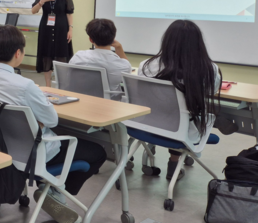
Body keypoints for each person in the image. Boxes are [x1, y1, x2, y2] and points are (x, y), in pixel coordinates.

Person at [0, 25, 106, 223]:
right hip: (33, 154)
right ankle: (53, 189)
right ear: (18, 53)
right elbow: (52, 120)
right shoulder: (25, 85)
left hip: (1, 148)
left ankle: (50, 188)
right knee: (98, 151)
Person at [138, 20, 222, 180]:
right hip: (182, 128)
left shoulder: (146, 66)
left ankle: (174, 160)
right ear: (198, 43)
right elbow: (211, 90)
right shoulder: (209, 69)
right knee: (184, 115)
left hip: (149, 124)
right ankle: (174, 162)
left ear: (167, 40)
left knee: (173, 113)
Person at [31, 0, 75, 87]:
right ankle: (48, 85)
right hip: (46, 30)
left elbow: (69, 13)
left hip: (62, 30)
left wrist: (70, 29)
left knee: (62, 55)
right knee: (47, 56)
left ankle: (62, 86)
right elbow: (33, 11)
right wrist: (43, 1)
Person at [69, 19, 131, 100]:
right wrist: (119, 47)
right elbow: (128, 72)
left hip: (79, 101)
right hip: (108, 106)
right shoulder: (121, 65)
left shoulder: (78, 56)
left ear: (91, 39)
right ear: (113, 38)